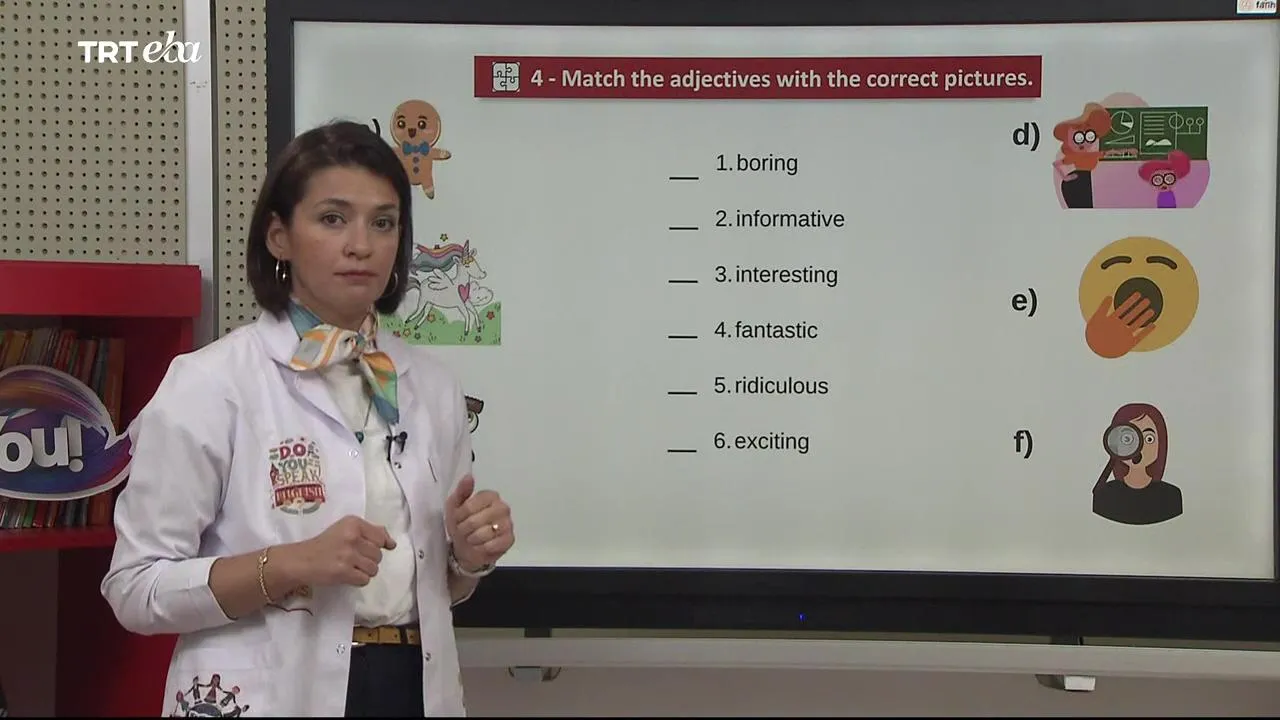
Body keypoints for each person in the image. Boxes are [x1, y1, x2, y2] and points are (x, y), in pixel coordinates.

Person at [100, 120, 515, 717]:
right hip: (270, 692)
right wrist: (288, 564)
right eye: (332, 219)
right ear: (279, 237)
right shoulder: (212, 383)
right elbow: (136, 589)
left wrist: (468, 558)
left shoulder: (432, 386)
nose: (361, 245)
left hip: (412, 685)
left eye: (383, 222)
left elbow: (434, 587)